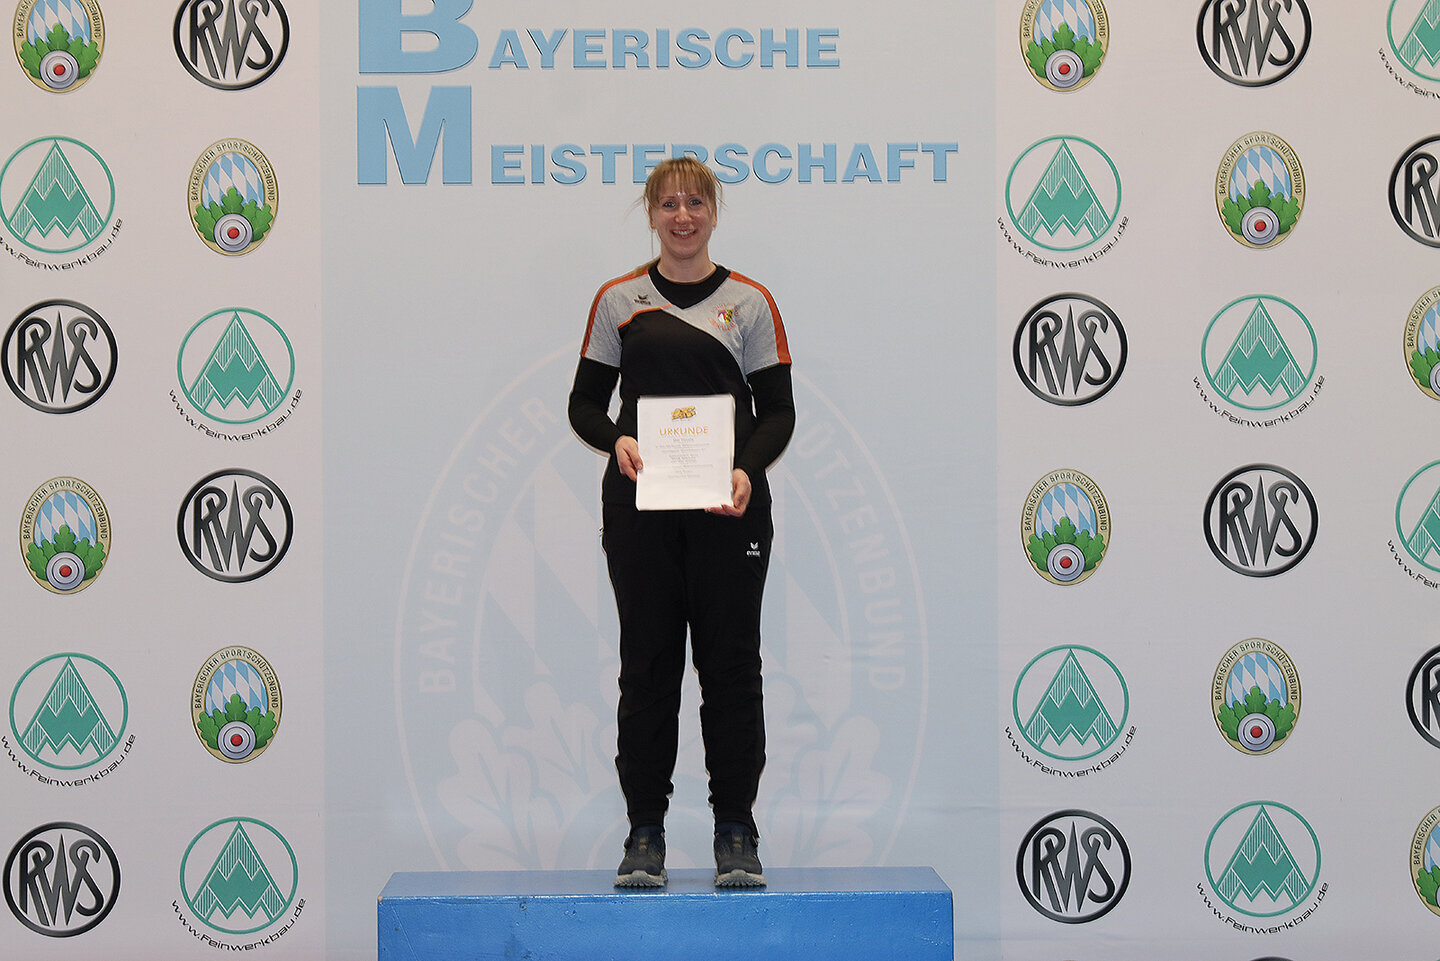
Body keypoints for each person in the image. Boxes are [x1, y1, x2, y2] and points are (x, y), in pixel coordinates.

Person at [567, 157, 794, 888]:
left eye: (696, 202)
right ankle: (644, 833)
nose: (683, 216)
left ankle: (736, 831)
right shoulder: (619, 300)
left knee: (732, 668)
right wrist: (617, 440)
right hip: (641, 512)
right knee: (648, 667)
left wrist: (745, 469)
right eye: (669, 204)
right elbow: (583, 404)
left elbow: (778, 411)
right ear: (652, 215)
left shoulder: (750, 301)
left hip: (731, 510)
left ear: (713, 214)